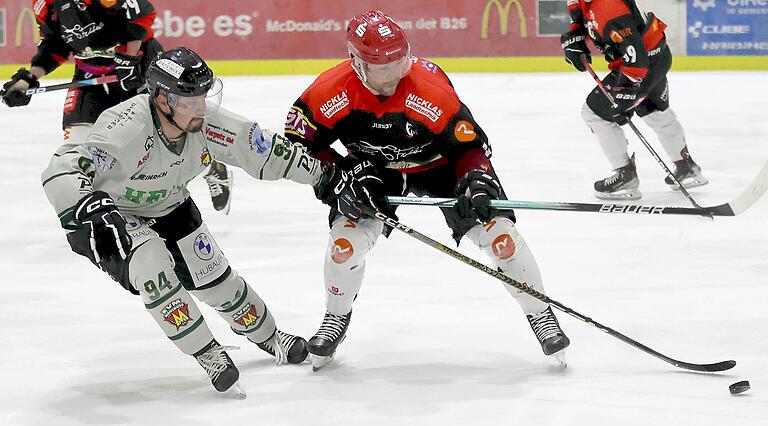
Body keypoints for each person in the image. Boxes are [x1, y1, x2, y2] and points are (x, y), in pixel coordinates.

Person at [40, 47, 365, 395]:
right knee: (152, 265)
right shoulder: (128, 129)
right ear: (162, 100)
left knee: (215, 279)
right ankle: (207, 352)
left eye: (202, 96)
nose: (200, 106)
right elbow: (60, 170)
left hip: (170, 203)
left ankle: (270, 336)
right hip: (112, 220)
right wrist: (87, 207)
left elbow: (266, 149)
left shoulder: (206, 122)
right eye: (188, 99)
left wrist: (325, 176)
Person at [283, 10, 571, 370]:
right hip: (374, 173)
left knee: (502, 237)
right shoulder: (329, 92)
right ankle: (335, 317)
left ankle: (540, 312)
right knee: (345, 246)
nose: (392, 75)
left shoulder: (427, 88)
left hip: (441, 167)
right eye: (380, 67)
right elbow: (297, 143)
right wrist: (342, 173)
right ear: (357, 63)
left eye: (398, 63)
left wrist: (477, 178)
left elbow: (470, 148)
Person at [1, 0, 232, 212]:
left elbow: (143, 15)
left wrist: (130, 58)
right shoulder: (45, 6)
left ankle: (212, 168)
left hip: (139, 66)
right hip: (91, 75)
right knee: (79, 145)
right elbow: (55, 45)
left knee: (168, 133)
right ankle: (95, 210)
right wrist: (28, 78)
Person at [560, 0, 708, 200]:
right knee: (654, 111)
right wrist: (575, 37)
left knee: (595, 113)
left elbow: (635, 56)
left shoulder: (609, 7)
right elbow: (580, 16)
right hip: (657, 55)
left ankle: (625, 177)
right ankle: (687, 167)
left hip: (642, 65)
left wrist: (627, 89)